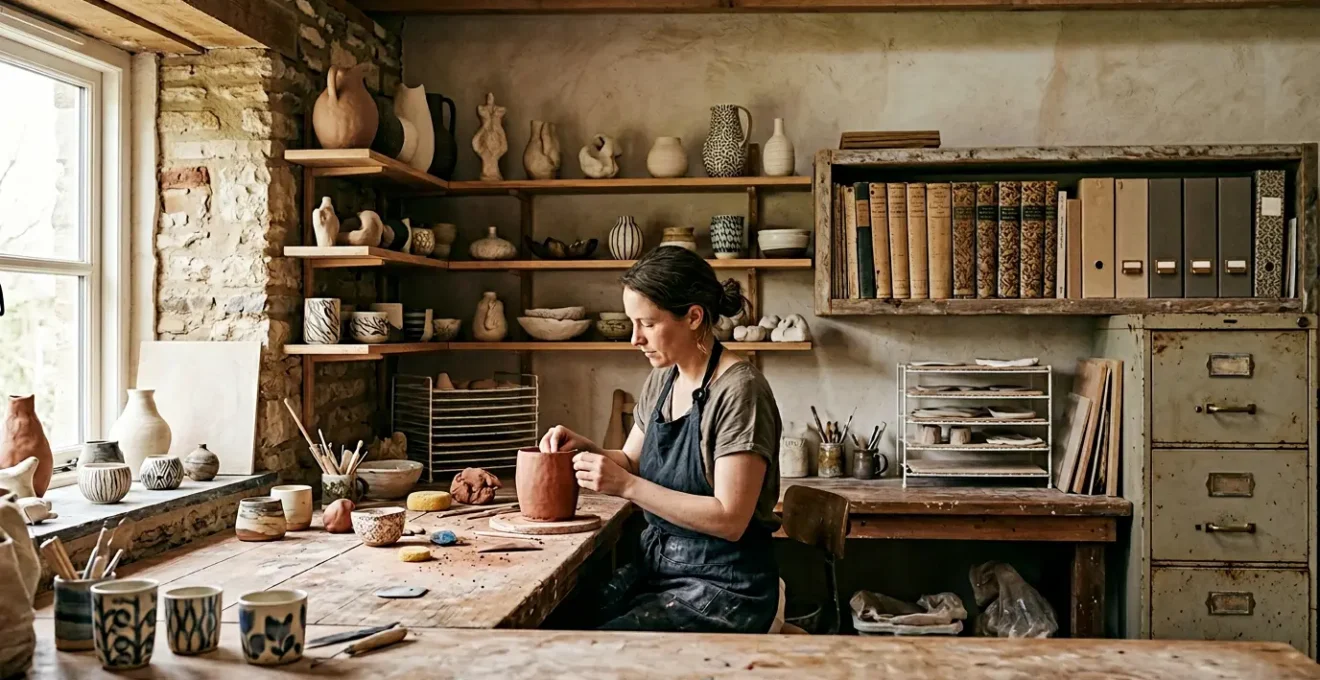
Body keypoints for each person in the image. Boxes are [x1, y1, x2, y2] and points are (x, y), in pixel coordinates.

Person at [538, 245, 783, 633]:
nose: (635, 338)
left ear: (693, 317)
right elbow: (632, 462)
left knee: (596, 646)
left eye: (647, 324)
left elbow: (730, 518)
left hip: (727, 584)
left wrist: (627, 486)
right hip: (659, 568)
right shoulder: (663, 378)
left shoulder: (740, 391)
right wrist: (585, 449)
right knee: (560, 622)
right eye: (632, 323)